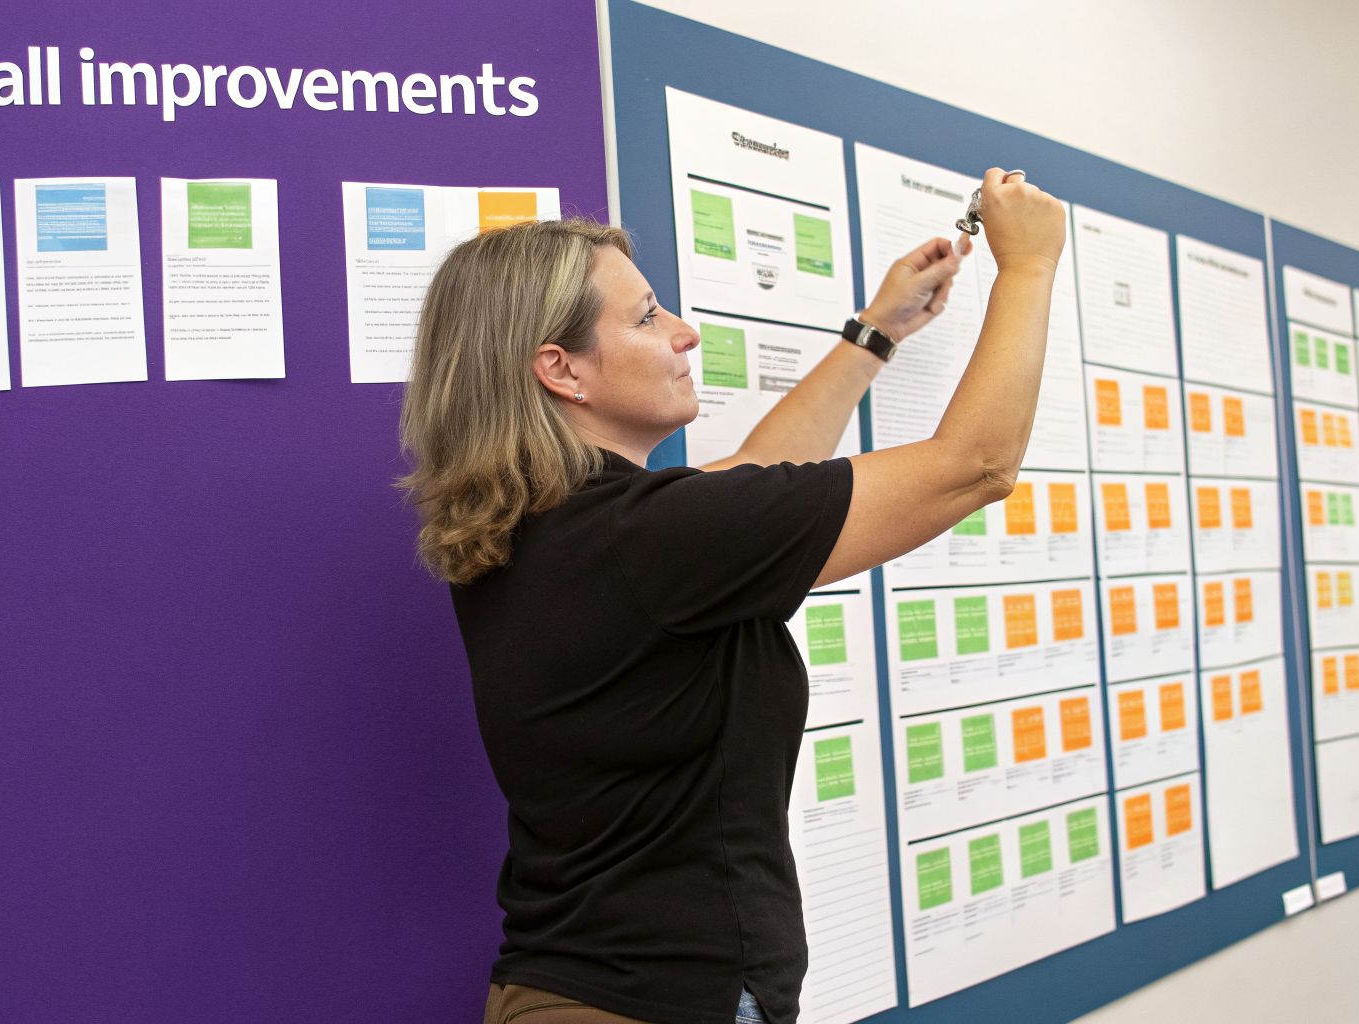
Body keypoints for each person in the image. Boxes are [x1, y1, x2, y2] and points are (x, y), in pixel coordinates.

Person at [398, 167, 1065, 1024]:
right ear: (561, 370)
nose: (684, 331)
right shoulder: (648, 539)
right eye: (646, 317)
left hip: (560, 989)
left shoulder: (551, 530)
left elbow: (748, 477)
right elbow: (975, 465)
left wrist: (873, 334)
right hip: (661, 1000)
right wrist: (1031, 265)